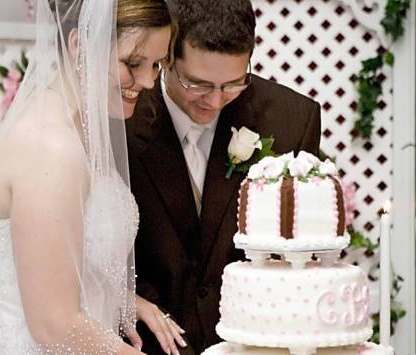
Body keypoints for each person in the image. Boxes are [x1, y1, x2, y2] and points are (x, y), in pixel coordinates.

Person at [0, 0, 185, 354]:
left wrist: (121, 299)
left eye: (156, 64)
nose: (147, 81)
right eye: (132, 64)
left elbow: (60, 266)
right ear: (80, 45)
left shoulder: (80, 129)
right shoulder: (49, 145)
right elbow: (53, 323)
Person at [126, 0, 321, 353]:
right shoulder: (120, 117)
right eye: (197, 84)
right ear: (166, 57)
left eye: (233, 84)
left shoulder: (293, 121)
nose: (215, 102)